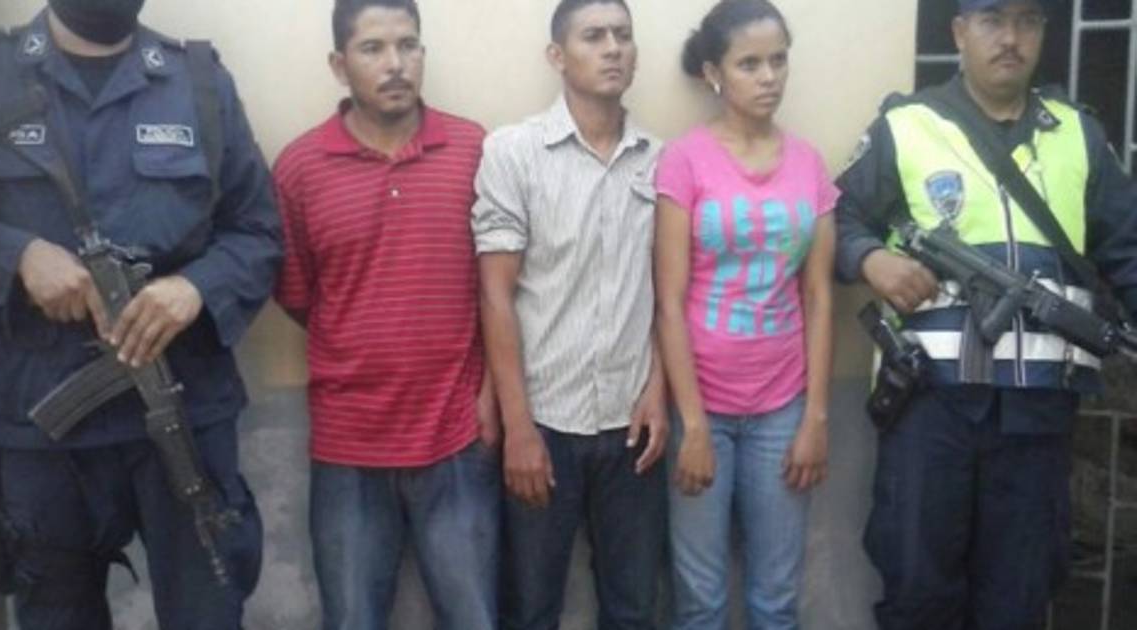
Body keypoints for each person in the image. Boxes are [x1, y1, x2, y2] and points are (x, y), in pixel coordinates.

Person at [0, 0, 282, 627]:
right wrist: (16, 257)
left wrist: (195, 288)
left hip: (182, 415)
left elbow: (258, 233)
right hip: (42, 425)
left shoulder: (198, 81)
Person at [835, 0, 1137, 628]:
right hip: (930, 408)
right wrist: (871, 260)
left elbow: (1128, 250)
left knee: (1019, 598)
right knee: (918, 591)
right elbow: (838, 218)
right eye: (993, 20)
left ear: (1043, 32)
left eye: (1027, 21)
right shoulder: (907, 126)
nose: (1010, 37)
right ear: (960, 32)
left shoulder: (1077, 134)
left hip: (1037, 415)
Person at [272, 1, 500, 628]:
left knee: (476, 618)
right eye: (373, 48)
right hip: (349, 444)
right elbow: (298, 295)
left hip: (457, 436)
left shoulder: (474, 150)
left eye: (408, 45)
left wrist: (488, 394)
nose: (395, 63)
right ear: (338, 65)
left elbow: (501, 286)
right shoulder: (299, 169)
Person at [472, 1, 667, 628]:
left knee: (633, 609)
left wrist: (658, 390)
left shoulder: (661, 161)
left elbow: (668, 292)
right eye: (594, 36)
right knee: (530, 609)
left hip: (632, 426)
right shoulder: (513, 153)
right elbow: (496, 296)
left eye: (623, 36)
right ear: (557, 56)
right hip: (545, 422)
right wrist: (518, 428)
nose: (612, 48)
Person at [653, 1, 836, 628]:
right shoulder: (685, 160)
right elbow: (669, 300)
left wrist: (815, 416)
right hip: (701, 406)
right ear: (714, 73)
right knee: (700, 599)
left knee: (775, 598)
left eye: (778, 61)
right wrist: (692, 425)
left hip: (782, 408)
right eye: (750, 64)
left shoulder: (809, 164)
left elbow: (819, 296)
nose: (769, 77)